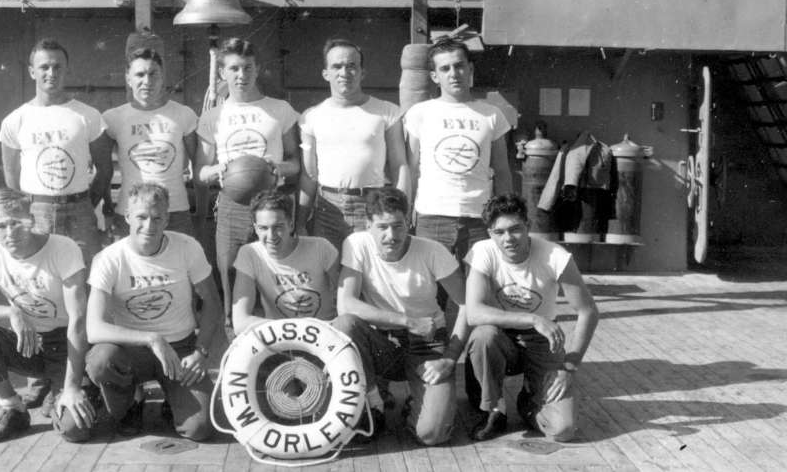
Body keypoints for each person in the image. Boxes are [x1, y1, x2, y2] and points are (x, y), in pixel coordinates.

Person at [0, 38, 108, 407]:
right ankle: (39, 375)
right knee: (38, 289)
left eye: (57, 66)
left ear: (66, 69)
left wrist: (82, 203)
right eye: (43, 66)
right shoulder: (15, 121)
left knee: (84, 289)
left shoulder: (87, 115)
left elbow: (104, 169)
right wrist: (33, 211)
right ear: (31, 71)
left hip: (79, 210)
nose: (51, 73)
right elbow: (12, 180)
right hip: (37, 212)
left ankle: (85, 373)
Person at [0, 189, 95, 444]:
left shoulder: (63, 248)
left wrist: (71, 388)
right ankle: (13, 408)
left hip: (67, 343)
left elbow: (78, 320)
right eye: (1, 225)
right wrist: (10, 311)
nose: (9, 233)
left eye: (16, 223)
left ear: (31, 219)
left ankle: (64, 388)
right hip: (31, 343)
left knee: (74, 430)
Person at [85, 183, 221, 440]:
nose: (149, 225)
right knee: (101, 360)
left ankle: (173, 402)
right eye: (142, 217)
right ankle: (130, 404)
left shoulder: (187, 247)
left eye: (157, 218)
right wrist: (151, 338)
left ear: (167, 218)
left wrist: (201, 352)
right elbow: (94, 328)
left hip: (179, 348)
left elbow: (213, 304)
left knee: (200, 429)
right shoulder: (109, 258)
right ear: (127, 217)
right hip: (131, 350)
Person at [334, 187, 470, 445]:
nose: (391, 235)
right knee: (345, 325)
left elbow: (466, 305)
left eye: (398, 226)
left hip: (426, 344)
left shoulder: (433, 251)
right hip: (382, 343)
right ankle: (374, 401)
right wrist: (408, 321)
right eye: (382, 227)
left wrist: (450, 359)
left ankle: (415, 401)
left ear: (409, 222)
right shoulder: (356, 243)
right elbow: (346, 305)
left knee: (432, 434)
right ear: (368, 225)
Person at [465, 194, 599, 442]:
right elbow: (474, 312)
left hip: (542, 341)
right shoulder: (482, 252)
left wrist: (570, 366)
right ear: (490, 233)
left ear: (527, 225)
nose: (508, 239)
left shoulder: (555, 256)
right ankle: (494, 409)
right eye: (499, 232)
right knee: (483, 335)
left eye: (515, 229)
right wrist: (533, 319)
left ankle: (529, 401)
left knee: (563, 429)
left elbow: (588, 311)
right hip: (501, 336)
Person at [195, 37, 300, 322]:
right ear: (222, 74)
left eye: (248, 68)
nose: (241, 75)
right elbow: (200, 172)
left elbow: (295, 163)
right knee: (232, 278)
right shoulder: (212, 116)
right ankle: (235, 337)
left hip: (274, 203)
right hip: (232, 204)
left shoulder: (280, 110)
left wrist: (276, 167)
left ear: (257, 69)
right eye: (234, 69)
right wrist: (221, 170)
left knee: (279, 274)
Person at [405, 38, 513, 263]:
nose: (453, 73)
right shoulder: (419, 113)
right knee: (432, 290)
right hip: (431, 217)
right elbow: (411, 169)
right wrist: (406, 212)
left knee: (475, 290)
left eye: (459, 65)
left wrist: (505, 216)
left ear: (470, 69)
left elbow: (502, 171)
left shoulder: (492, 115)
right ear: (435, 76)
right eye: (445, 68)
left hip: (479, 218)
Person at [297, 38, 410, 247]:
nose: (344, 72)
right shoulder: (311, 117)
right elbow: (309, 175)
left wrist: (401, 210)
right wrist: (301, 222)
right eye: (337, 66)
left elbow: (399, 165)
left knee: (371, 275)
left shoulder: (387, 112)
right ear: (326, 74)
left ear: (362, 72)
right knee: (329, 273)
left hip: (372, 207)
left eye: (351, 66)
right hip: (327, 209)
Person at [95, 46, 199, 236]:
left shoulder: (183, 114)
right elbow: (103, 172)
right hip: (131, 214)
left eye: (153, 74)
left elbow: (199, 167)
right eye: (140, 74)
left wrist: (199, 212)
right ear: (128, 78)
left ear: (162, 76)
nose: (147, 81)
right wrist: (108, 209)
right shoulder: (113, 118)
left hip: (175, 213)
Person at [231, 190, 339, 335]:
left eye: (278, 227)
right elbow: (240, 323)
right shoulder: (249, 254)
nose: (271, 236)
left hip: (323, 334)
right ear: (255, 228)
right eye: (263, 228)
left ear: (291, 224)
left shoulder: (321, 248)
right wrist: (294, 331)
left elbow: (346, 305)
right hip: (280, 337)